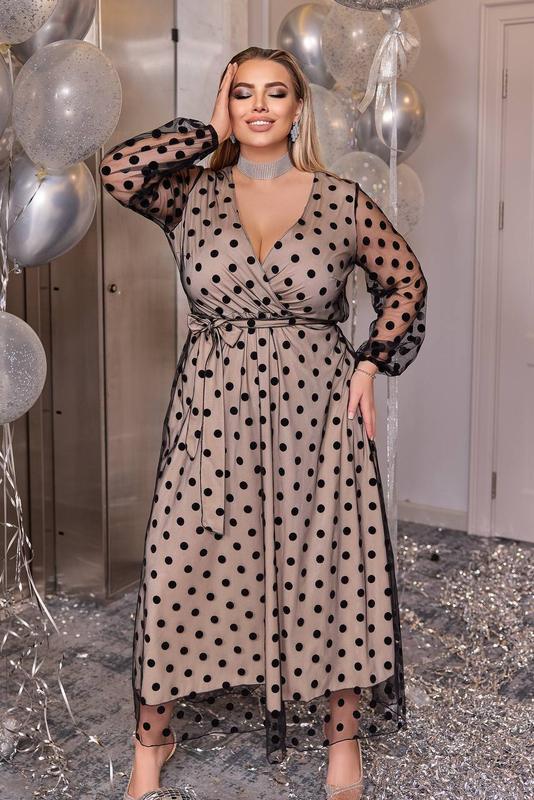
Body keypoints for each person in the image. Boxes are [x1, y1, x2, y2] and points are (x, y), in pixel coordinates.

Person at [100, 46, 428, 800]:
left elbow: (405, 281)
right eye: (241, 92)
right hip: (212, 408)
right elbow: (118, 171)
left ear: (297, 108)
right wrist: (206, 130)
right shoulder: (189, 194)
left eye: (274, 93)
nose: (257, 106)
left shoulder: (342, 200)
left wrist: (369, 366)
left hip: (319, 410)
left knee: (331, 567)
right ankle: (151, 742)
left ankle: (342, 739)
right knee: (180, 565)